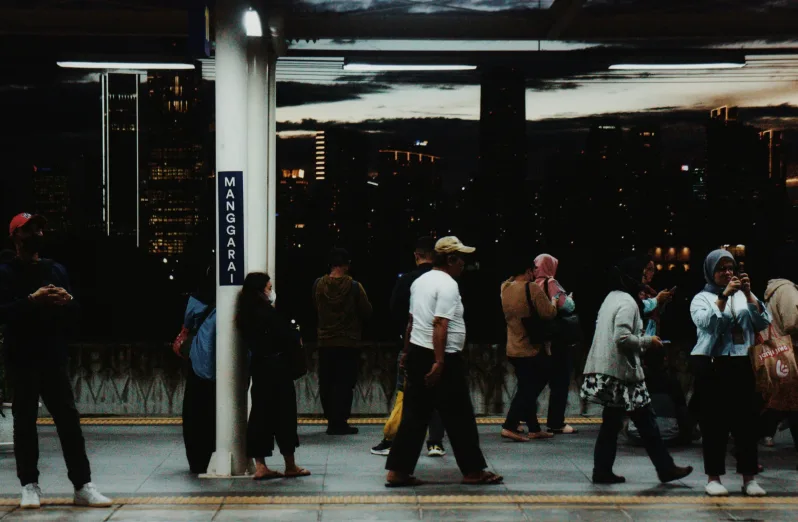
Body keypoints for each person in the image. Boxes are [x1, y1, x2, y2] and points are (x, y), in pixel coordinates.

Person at [0, 213, 111, 509]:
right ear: (15, 236)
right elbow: (3, 312)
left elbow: (77, 314)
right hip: (21, 357)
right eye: (28, 230)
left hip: (52, 355)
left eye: (38, 228)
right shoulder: (5, 272)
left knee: (68, 422)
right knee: (25, 423)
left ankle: (82, 485)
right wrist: (32, 300)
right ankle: (29, 485)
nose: (36, 233)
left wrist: (68, 301)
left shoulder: (56, 269)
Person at [385, 237, 502, 487]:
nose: (464, 264)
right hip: (441, 357)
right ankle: (473, 471)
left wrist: (406, 352)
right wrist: (439, 363)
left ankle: (397, 471)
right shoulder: (448, 284)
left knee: (414, 416)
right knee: (460, 417)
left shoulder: (419, 282)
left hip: (417, 353)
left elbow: (411, 321)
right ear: (450, 259)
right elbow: (440, 323)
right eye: (461, 259)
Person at [581, 256, 693, 485]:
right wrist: (647, 341)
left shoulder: (611, 298)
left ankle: (606, 470)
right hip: (623, 374)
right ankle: (664, 468)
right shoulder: (627, 303)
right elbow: (622, 338)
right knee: (642, 421)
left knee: (619, 422)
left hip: (612, 371)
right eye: (640, 274)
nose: (643, 280)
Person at [690, 249, 770, 497]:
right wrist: (723, 297)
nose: (727, 273)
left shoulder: (744, 295)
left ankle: (749, 478)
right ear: (710, 271)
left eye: (730, 268)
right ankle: (714, 477)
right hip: (714, 364)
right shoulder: (701, 299)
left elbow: (763, 322)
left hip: (741, 363)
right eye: (721, 268)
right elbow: (711, 325)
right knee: (714, 424)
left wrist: (747, 295)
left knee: (746, 424)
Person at [372, 237, 447, 457]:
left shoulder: (407, 280)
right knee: (437, 395)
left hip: (412, 343)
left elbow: (396, 311)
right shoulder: (443, 280)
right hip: (439, 345)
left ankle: (396, 440)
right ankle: (435, 442)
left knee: (406, 393)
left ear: (417, 255)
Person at [239, 272, 310, 480]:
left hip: (260, 368)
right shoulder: (269, 314)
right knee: (285, 415)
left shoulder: (245, 314)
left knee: (260, 414)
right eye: (269, 288)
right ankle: (290, 464)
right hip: (278, 367)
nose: (272, 292)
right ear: (260, 290)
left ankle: (260, 465)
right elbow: (287, 337)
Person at [313, 248, 373, 435]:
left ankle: (331, 420)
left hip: (325, 342)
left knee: (327, 382)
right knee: (345, 383)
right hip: (348, 342)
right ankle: (340, 422)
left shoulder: (318, 285)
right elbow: (367, 311)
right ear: (346, 266)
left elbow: (315, 308)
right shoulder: (355, 287)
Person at [500, 253, 558, 442]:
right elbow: (548, 313)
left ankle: (533, 427)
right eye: (532, 270)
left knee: (526, 385)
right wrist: (555, 302)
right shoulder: (531, 288)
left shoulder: (505, 288)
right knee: (530, 388)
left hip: (512, 346)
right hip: (530, 347)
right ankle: (509, 425)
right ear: (527, 271)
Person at [533, 254, 579, 435]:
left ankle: (518, 416)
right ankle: (556, 422)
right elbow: (567, 307)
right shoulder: (551, 283)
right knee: (560, 381)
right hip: (558, 340)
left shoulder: (534, 284)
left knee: (537, 381)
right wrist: (570, 299)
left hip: (542, 340)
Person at [761, 245, 798, 465]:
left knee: (786, 401)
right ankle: (747, 437)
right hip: (791, 350)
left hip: (780, 350)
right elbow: (793, 321)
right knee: (784, 401)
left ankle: (750, 436)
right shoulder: (788, 290)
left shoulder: (776, 289)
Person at [181, 262, 217, 474]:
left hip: (197, 363)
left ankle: (196, 460)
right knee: (214, 412)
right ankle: (214, 452)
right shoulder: (229, 300)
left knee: (194, 413)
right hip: (221, 367)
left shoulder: (195, 299)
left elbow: (187, 323)